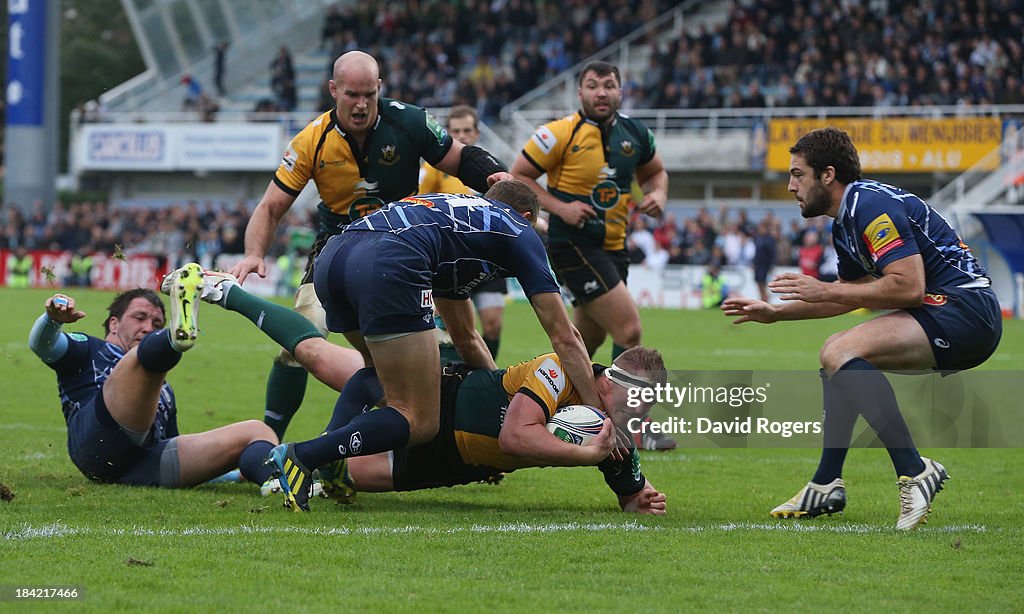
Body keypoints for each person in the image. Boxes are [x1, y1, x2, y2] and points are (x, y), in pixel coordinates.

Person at [163, 264, 663, 513]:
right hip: (438, 392)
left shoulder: (611, 429)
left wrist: (637, 497)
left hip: (451, 461)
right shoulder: (558, 370)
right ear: (613, 380)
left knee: (343, 479)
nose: (638, 418)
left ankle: (252, 460)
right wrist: (584, 455)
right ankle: (222, 289)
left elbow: (631, 490)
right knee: (314, 354)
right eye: (637, 403)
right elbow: (515, 437)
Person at [722, 127, 1002, 530]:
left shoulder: (870, 206)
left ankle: (914, 470)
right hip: (950, 311)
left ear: (828, 175)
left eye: (798, 175)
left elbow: (909, 286)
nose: (790, 186)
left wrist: (821, 290)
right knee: (838, 352)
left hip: (965, 311)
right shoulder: (845, 223)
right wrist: (776, 312)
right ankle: (825, 483)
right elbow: (848, 295)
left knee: (840, 352)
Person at [229, 50, 512, 439]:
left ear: (379, 88)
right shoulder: (311, 140)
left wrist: (495, 176)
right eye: (351, 95)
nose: (361, 104)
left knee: (456, 340)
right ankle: (269, 436)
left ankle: (485, 430)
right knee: (299, 342)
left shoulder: (410, 121)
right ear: (333, 90)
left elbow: (460, 159)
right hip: (335, 252)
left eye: (369, 94)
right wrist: (254, 253)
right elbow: (271, 206)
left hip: (408, 250)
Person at [272, 182, 601, 511]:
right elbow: (564, 337)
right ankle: (307, 455)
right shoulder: (518, 229)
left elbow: (466, 337)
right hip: (390, 259)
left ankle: (332, 455)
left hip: (335, 255)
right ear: (527, 216)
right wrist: (597, 411)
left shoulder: (459, 223)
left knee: (377, 373)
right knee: (419, 420)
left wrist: (490, 407)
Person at [27, 265, 280, 489]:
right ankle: (175, 336)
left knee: (256, 430)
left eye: (156, 324)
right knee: (137, 361)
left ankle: (277, 481)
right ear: (113, 324)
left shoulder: (164, 390)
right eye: (140, 318)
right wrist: (52, 320)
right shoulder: (89, 349)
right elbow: (43, 346)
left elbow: (173, 448)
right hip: (96, 444)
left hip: (142, 465)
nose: (148, 327)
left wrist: (229, 475)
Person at [511, 61, 669, 361]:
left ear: (620, 92)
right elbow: (519, 175)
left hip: (615, 246)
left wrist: (659, 194)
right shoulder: (558, 133)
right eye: (593, 86)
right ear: (580, 92)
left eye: (608, 86)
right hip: (572, 243)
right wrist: (561, 208)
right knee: (629, 330)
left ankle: (557, 397)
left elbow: (656, 172)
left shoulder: (635, 132)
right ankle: (622, 408)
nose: (601, 93)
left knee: (587, 340)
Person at [419, 104, 509, 362]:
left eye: (467, 130)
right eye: (456, 131)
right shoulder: (434, 169)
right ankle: (467, 377)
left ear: (477, 133)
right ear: (447, 133)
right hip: (451, 258)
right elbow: (420, 206)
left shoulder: (490, 168)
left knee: (492, 324)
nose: (462, 136)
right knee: (456, 329)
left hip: (489, 256)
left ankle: (487, 376)